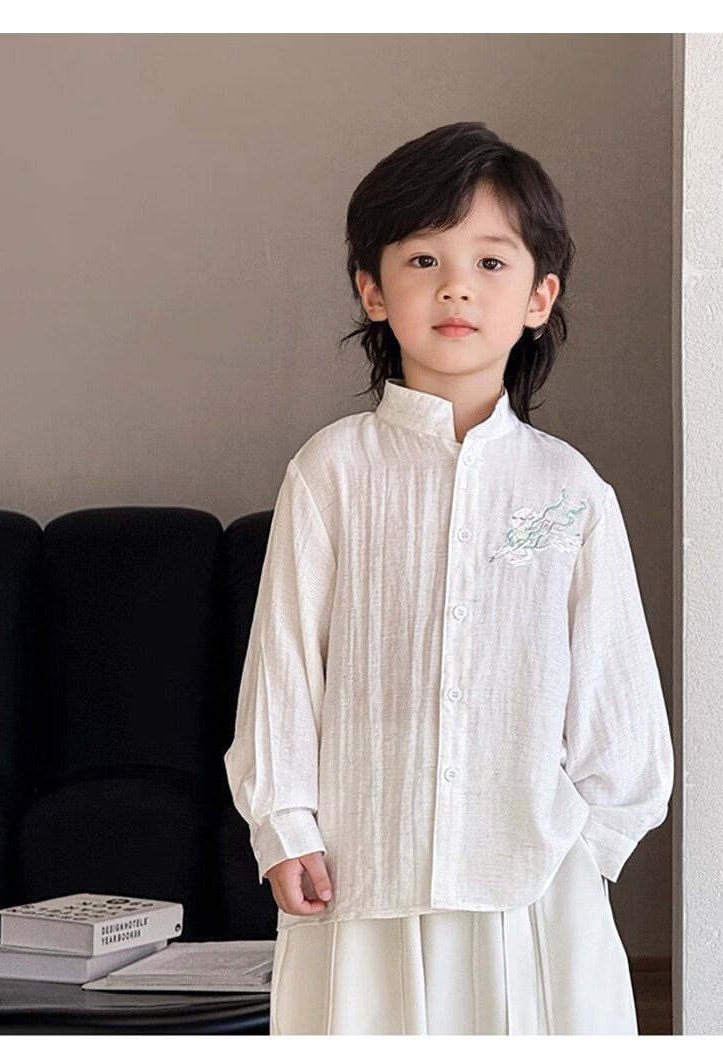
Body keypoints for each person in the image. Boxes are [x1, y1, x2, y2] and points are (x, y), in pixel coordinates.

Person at [223, 121, 674, 1035]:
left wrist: (585, 854)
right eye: (423, 259)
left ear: (540, 296)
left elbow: (617, 695)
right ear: (373, 290)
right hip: (361, 870)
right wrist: (286, 826)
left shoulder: (570, 489)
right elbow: (284, 665)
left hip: (533, 887)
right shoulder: (332, 471)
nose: (456, 285)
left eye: (491, 262)